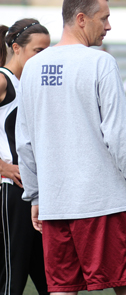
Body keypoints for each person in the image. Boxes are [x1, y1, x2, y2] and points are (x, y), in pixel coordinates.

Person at [16, 0, 126, 294]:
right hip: (103, 202)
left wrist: (35, 196)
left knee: (61, 289)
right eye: (105, 18)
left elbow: (24, 141)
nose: (109, 26)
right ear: (83, 19)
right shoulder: (100, 62)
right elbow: (117, 135)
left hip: (55, 204)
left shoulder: (31, 67)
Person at [0, 19, 50, 295]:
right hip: (11, 196)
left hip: (37, 194)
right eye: (38, 51)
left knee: (51, 280)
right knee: (11, 280)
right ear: (16, 48)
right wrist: (4, 167)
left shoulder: (28, 83)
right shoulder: (3, 79)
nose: (44, 57)